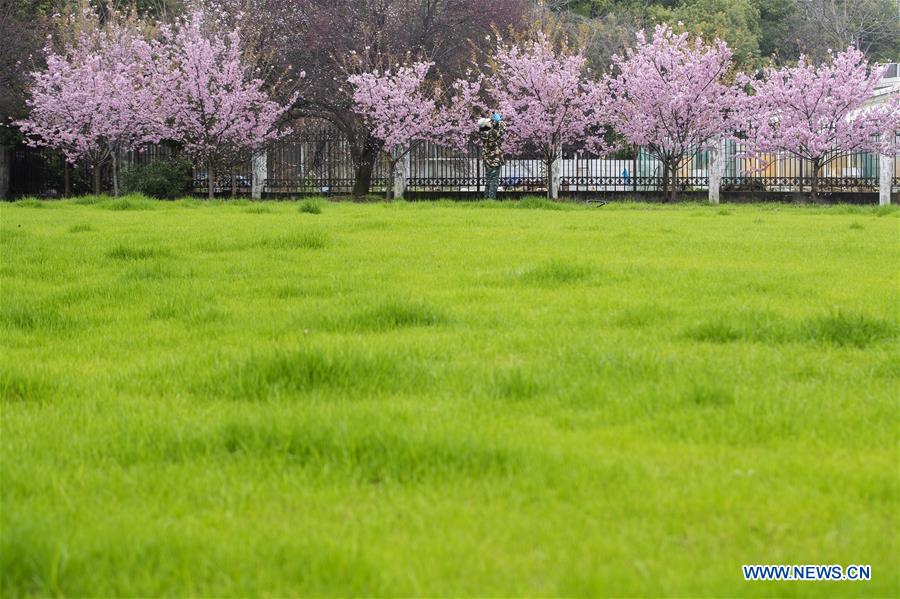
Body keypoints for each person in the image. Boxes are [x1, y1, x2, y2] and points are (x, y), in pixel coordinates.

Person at [478, 112, 507, 199]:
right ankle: (491, 199)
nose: (490, 122)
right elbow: (503, 130)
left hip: (487, 160)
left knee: (488, 180)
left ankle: (486, 199)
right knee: (493, 181)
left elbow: (492, 129)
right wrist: (500, 121)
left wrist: (494, 123)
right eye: (489, 122)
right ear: (485, 124)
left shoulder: (483, 132)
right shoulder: (491, 133)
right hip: (494, 160)